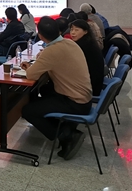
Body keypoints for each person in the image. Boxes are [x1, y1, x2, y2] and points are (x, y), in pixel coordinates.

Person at [21, 17, 92, 161]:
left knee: (27, 110)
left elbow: (31, 74)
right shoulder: (69, 43)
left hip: (75, 102)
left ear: (40, 36)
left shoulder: (52, 51)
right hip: (85, 98)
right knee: (44, 90)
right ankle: (64, 127)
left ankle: (66, 135)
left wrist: (30, 67)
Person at [69, 19, 105, 96]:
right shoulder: (88, 42)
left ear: (85, 31)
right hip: (94, 83)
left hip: (90, 87)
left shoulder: (83, 46)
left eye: (76, 30)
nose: (73, 32)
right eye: (71, 29)